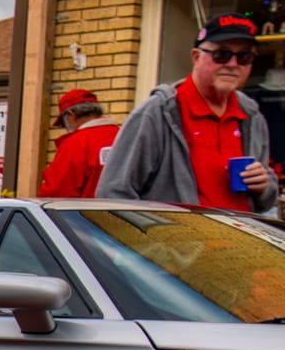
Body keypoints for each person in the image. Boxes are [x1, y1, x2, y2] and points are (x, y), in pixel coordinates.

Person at [104, 14, 276, 213]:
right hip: (176, 242)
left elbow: (265, 198)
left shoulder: (251, 116)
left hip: (239, 241)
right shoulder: (158, 113)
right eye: (222, 54)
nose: (232, 64)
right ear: (196, 57)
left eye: (244, 57)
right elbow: (113, 193)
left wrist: (263, 186)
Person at [38, 88, 121, 197]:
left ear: (70, 115)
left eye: (63, 123)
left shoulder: (75, 143)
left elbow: (57, 192)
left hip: (87, 213)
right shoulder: (124, 136)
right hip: (130, 212)